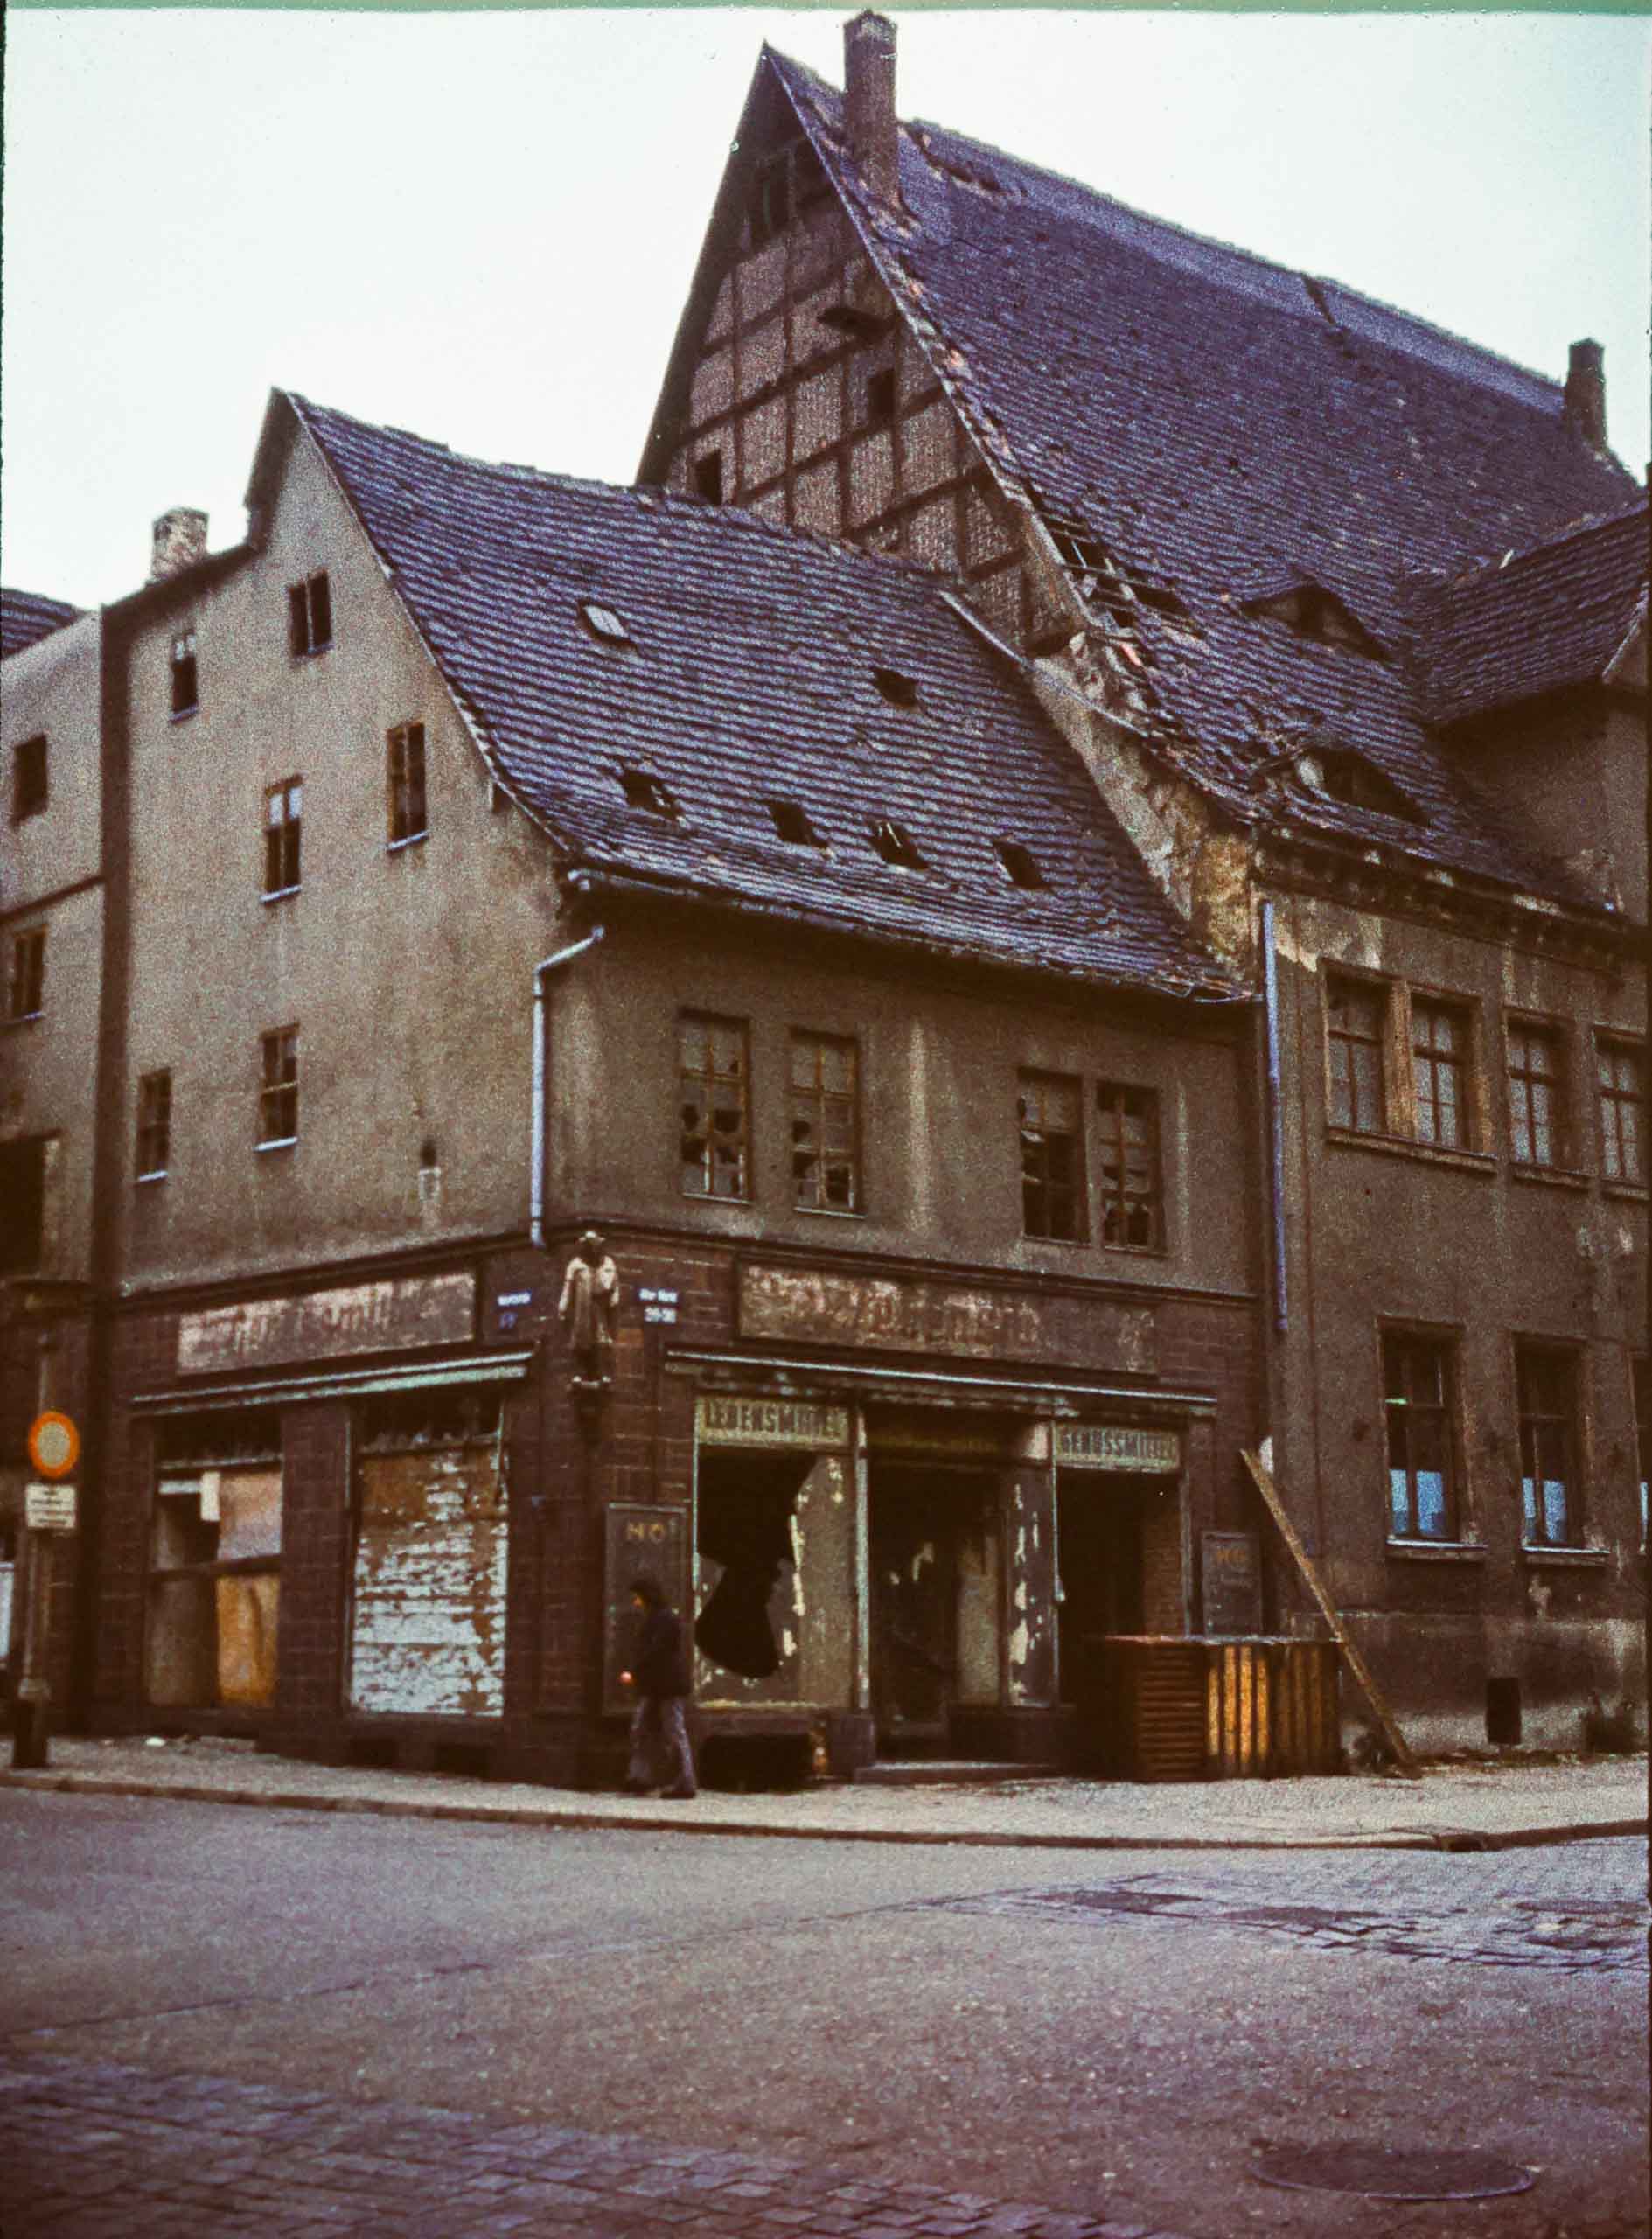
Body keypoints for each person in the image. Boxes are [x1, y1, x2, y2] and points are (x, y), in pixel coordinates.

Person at [619, 1575, 697, 1798]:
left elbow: (656, 1652)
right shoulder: (657, 1618)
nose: (635, 1603)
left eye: (638, 1598)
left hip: (668, 1686)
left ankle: (685, 1782)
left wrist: (634, 1673)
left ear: (647, 1598)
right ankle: (641, 1778)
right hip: (656, 1687)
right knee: (642, 1729)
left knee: (673, 1732)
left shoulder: (665, 1620)